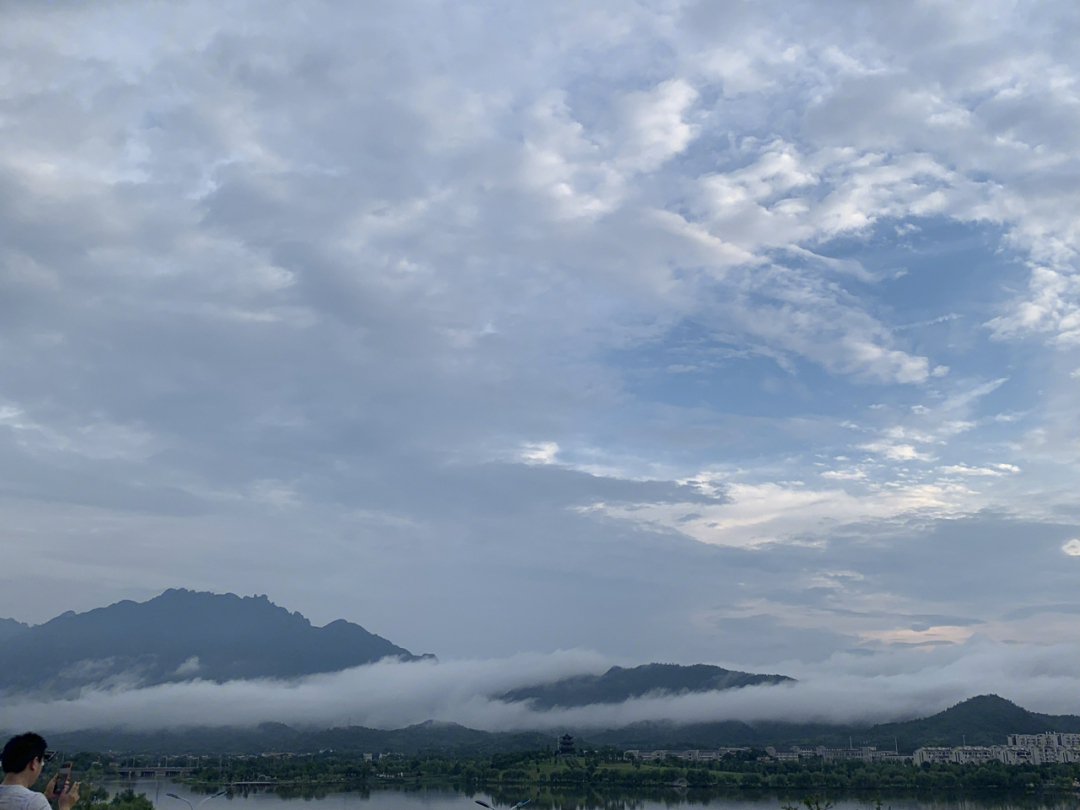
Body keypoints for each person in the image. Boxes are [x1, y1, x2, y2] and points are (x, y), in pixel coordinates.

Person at [0, 734, 79, 810]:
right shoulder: (34, 801)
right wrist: (65, 806)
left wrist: (47, 795)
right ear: (33, 763)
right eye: (41, 763)